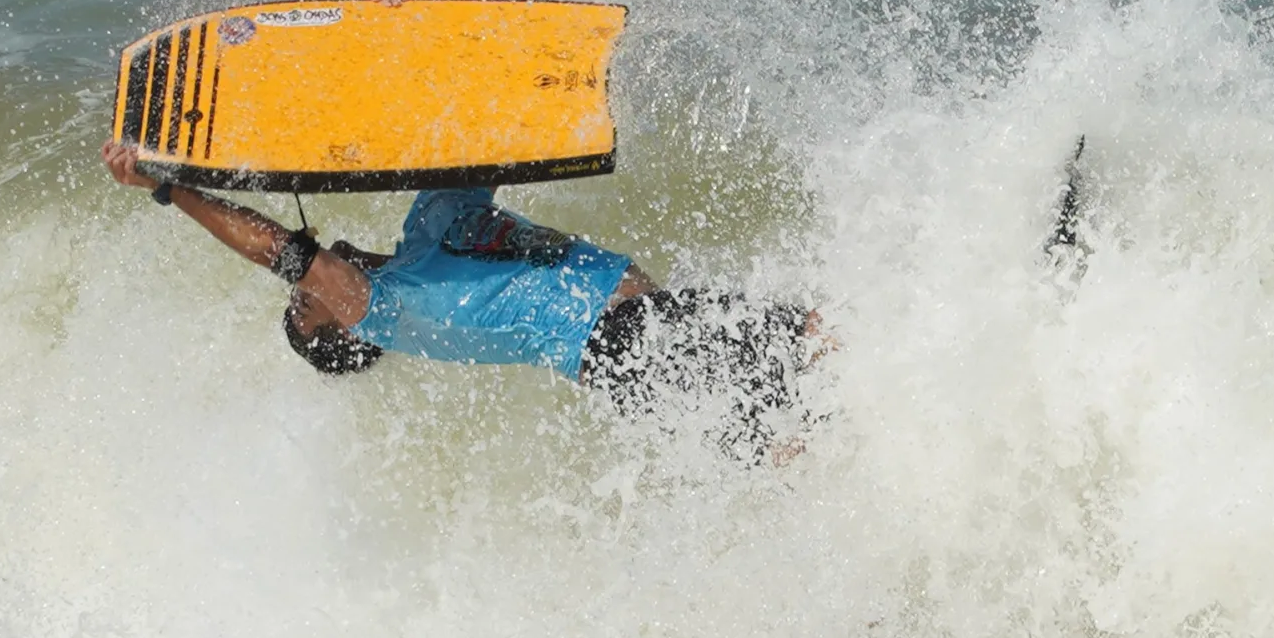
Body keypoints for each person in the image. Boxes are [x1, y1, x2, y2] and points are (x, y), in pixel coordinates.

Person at [99, 141, 825, 463]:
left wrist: (394, 32)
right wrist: (170, 188)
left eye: (299, 297)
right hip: (626, 350)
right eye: (304, 305)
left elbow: (473, 137)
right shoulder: (389, 310)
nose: (302, 288)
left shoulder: (432, 224)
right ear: (345, 331)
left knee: (808, 434)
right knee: (825, 349)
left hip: (645, 336)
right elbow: (275, 248)